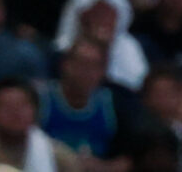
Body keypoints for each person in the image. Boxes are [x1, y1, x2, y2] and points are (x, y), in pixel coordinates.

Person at [37, 40, 122, 171]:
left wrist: (103, 167)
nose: (88, 72)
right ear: (65, 65)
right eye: (82, 64)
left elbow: (129, 159)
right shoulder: (41, 99)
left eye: (95, 66)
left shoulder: (113, 103)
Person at [0, 77, 79, 172]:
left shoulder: (58, 156)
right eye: (7, 107)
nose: (15, 113)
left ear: (35, 110)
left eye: (21, 105)